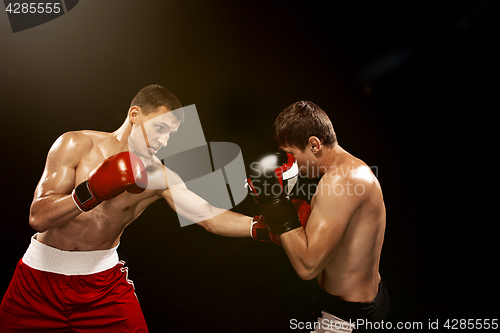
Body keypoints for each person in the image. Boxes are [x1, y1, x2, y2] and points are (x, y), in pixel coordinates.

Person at [0, 84, 259, 332]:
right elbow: (38, 217)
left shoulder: (160, 176)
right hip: (36, 281)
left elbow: (207, 216)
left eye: (171, 134)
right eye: (160, 128)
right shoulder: (76, 144)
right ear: (135, 114)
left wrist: (261, 226)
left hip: (101, 286)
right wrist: (91, 191)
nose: (164, 141)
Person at [248, 101, 390, 332]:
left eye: (291, 155)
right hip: (365, 302)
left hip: (347, 319)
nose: (291, 165)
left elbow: (308, 267)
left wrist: (275, 203)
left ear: (314, 144)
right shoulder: (352, 169)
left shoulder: (341, 180)